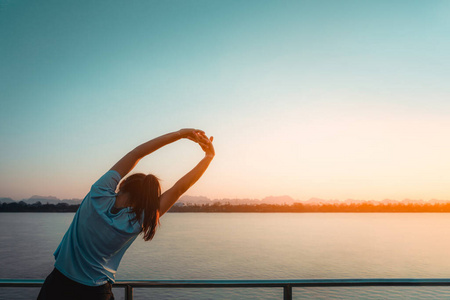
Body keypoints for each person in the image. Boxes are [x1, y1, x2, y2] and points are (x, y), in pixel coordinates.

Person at [37, 129, 215, 300]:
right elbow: (178, 189)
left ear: (122, 184)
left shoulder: (98, 193)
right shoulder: (139, 221)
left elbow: (136, 153)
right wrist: (208, 157)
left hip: (58, 286)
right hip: (96, 293)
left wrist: (180, 134)